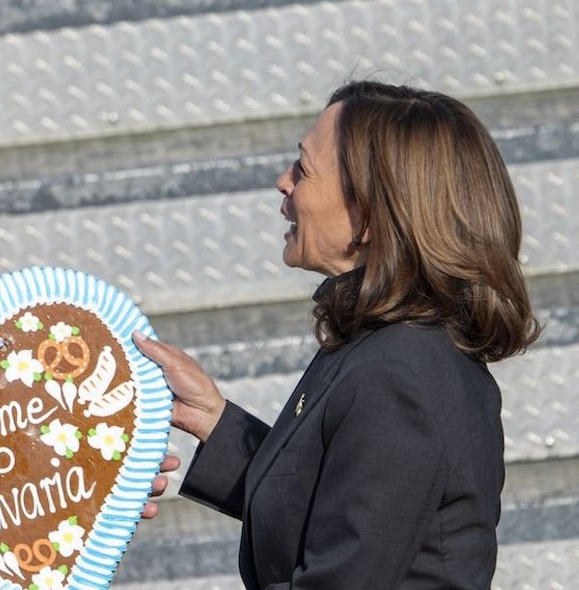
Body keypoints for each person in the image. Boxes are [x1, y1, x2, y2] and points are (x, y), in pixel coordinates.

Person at [134, 81, 542, 589]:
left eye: (304, 168)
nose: (283, 182)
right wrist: (214, 421)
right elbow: (329, 507)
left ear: (370, 213)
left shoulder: (398, 376)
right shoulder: (387, 346)